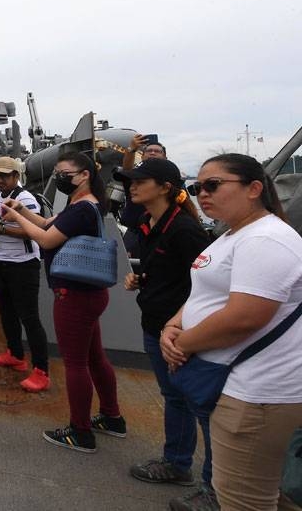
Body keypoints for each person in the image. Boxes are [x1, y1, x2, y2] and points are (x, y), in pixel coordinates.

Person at [161, 153, 302, 511]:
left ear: (254, 188)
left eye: (213, 185)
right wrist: (174, 324)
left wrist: (183, 345)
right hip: (237, 386)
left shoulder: (265, 240)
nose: (201, 194)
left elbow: (244, 317)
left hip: (257, 395)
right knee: (258, 494)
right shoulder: (234, 235)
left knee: (242, 500)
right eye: (197, 187)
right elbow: (209, 293)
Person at [0, 151, 125, 453]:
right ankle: (112, 417)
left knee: (76, 364)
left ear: (84, 175)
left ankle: (80, 432)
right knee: (95, 358)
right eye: (57, 173)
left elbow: (45, 240)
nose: (59, 178)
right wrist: (22, 209)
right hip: (90, 293)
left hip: (74, 295)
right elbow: (45, 224)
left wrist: (14, 217)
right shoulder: (82, 204)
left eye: (64, 173)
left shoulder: (83, 209)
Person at [113, 159, 212, 506]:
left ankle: (209, 484)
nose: (132, 186)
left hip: (178, 332)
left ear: (166, 187)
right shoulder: (148, 222)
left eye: (140, 181)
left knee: (199, 406)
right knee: (174, 398)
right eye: (130, 182)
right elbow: (167, 271)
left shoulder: (184, 230)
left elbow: (206, 285)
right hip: (154, 325)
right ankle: (177, 462)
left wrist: (183, 328)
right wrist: (140, 279)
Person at [0, 157, 50, 392]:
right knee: (7, 313)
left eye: (4, 176)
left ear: (16, 177)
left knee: (30, 318)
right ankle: (15, 354)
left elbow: (35, 232)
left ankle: (41, 371)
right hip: (2, 262)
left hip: (23, 266)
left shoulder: (25, 199)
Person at [119, 133, 169, 254]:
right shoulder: (134, 175)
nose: (152, 153)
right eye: (149, 150)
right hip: (135, 232)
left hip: (163, 232)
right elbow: (127, 169)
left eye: (157, 151)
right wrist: (131, 149)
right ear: (142, 156)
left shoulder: (171, 178)